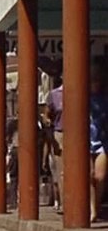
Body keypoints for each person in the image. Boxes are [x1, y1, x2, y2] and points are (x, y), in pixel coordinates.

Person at [90, 72, 108, 223]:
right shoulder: (81, 96)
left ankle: (97, 203)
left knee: (100, 177)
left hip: (101, 140)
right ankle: (92, 209)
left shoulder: (104, 99)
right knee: (89, 175)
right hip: (85, 140)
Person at [47, 79, 64, 210]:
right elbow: (47, 114)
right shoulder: (54, 94)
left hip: (84, 132)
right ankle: (65, 203)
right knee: (62, 171)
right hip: (60, 133)